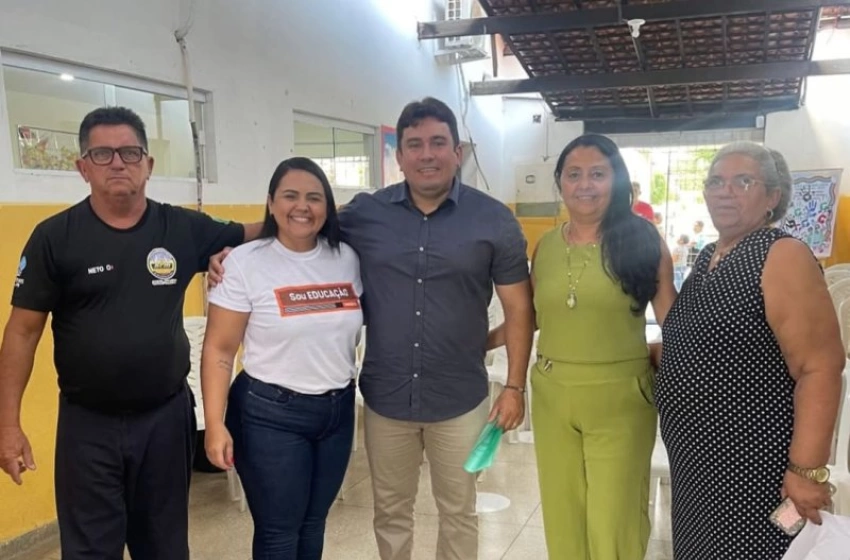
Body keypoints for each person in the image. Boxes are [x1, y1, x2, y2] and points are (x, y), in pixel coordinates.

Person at [210, 97, 534, 560]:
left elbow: (519, 309)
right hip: (386, 400)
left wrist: (515, 386)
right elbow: (300, 218)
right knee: (391, 513)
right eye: (414, 144)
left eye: (438, 142)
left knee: (459, 512)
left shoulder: (493, 219)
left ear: (456, 152)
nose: (427, 154)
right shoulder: (366, 214)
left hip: (460, 400)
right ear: (398, 156)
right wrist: (227, 245)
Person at [0, 106, 261, 560]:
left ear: (148, 164)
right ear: (83, 168)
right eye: (102, 153)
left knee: (163, 547)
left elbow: (257, 232)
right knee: (89, 552)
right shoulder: (54, 238)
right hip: (88, 426)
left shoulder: (180, 227)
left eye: (130, 152)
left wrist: (328, 216)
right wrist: (8, 426)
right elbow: (22, 333)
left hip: (164, 419)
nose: (117, 162)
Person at [488, 134, 676, 559]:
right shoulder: (547, 246)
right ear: (560, 183)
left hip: (621, 397)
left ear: (617, 180)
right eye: (574, 174)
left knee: (615, 517)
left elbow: (675, 324)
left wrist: (663, 358)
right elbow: (530, 316)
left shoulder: (644, 240)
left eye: (598, 174)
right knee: (562, 512)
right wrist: (477, 342)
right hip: (553, 393)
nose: (585, 185)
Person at [656, 142, 845, 559]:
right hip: (697, 463)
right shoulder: (709, 256)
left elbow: (820, 366)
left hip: (752, 465)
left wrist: (806, 470)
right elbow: (692, 339)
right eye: (715, 182)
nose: (724, 191)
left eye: (743, 181)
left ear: (773, 197)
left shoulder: (782, 255)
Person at [201, 157, 361, 559]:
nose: (302, 206)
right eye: (290, 196)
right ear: (271, 203)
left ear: (327, 207)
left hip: (337, 410)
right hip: (270, 416)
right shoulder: (244, 262)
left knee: (313, 523)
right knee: (278, 533)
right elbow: (220, 349)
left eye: (314, 197)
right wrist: (215, 424)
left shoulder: (346, 258)